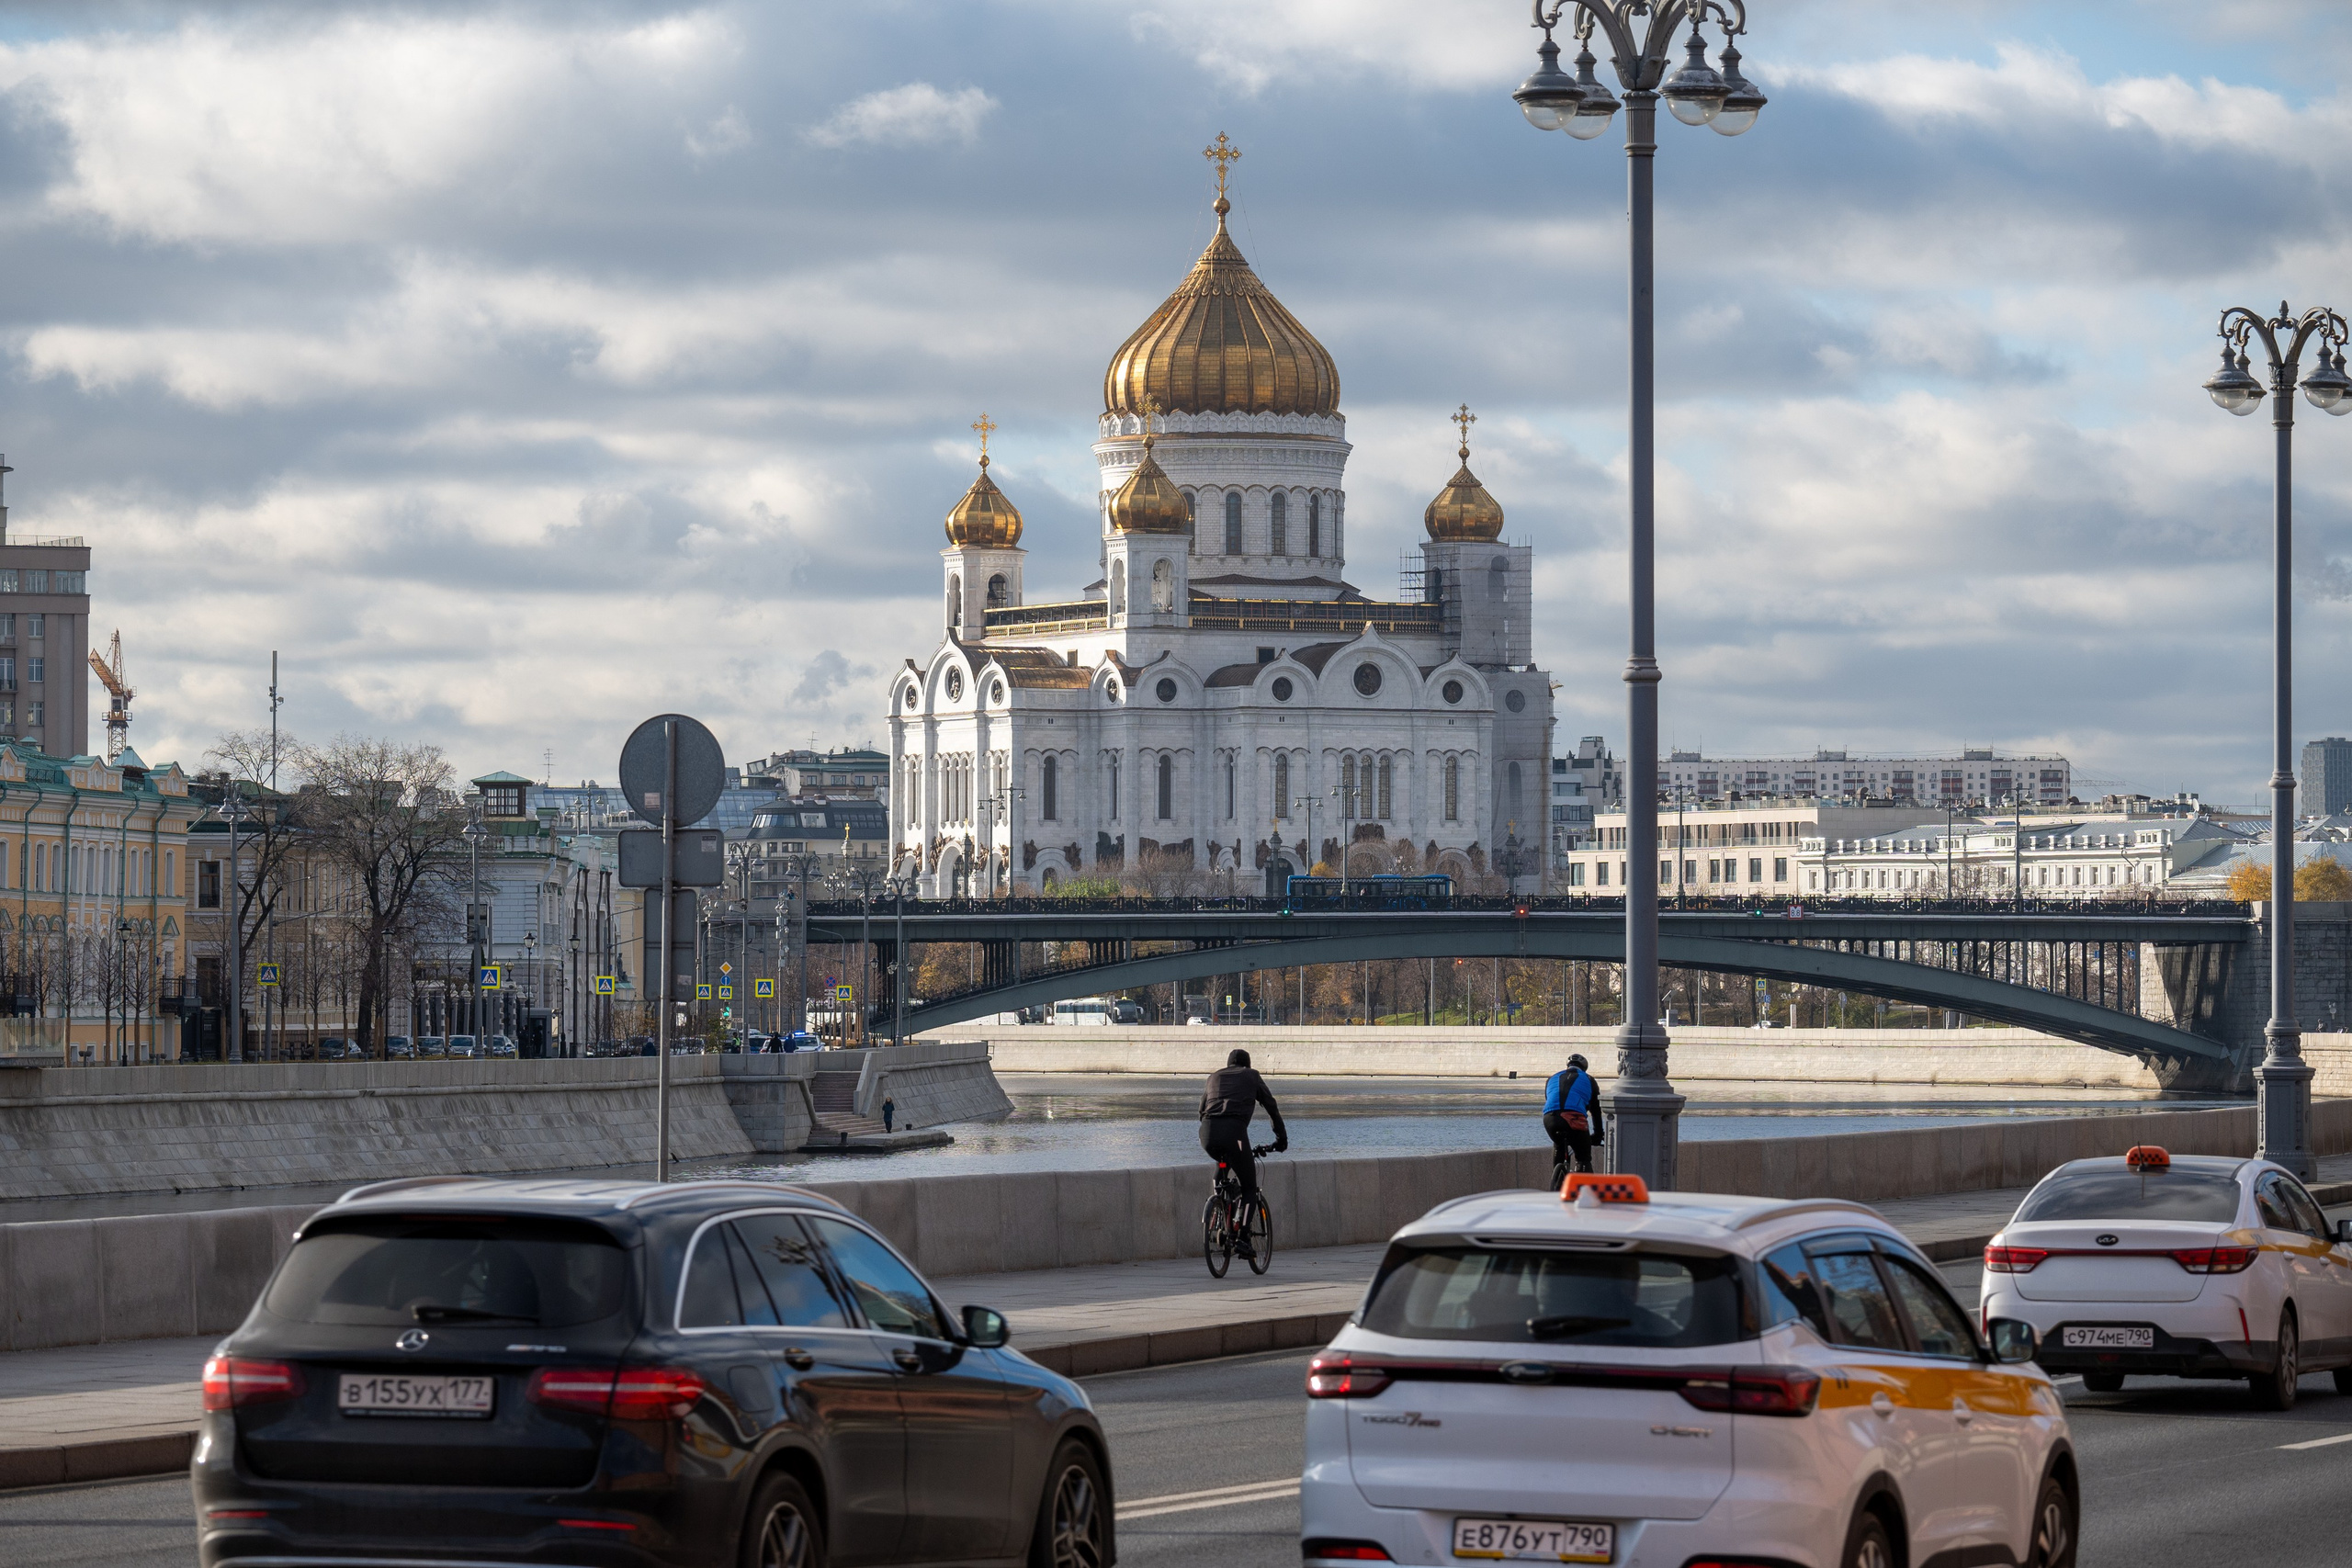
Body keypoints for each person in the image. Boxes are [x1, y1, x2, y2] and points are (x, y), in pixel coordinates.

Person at [1199, 1047, 1289, 1235]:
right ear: (1248, 1065)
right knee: (1249, 1187)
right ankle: (1242, 1236)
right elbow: (1272, 1107)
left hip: (1207, 1133)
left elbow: (1201, 1110)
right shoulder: (1251, 1076)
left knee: (1221, 1169)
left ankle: (1219, 1209)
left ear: (1228, 1064)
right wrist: (1281, 1139)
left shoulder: (1213, 1077)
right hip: (1234, 1133)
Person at [1543, 1053, 1599, 1183]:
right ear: (1584, 1068)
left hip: (1549, 1118)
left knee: (1559, 1144)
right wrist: (1598, 1134)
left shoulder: (1551, 1078)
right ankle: (1585, 1189)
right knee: (1583, 1157)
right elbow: (1596, 1110)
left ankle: (1556, 1178)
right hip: (1573, 1118)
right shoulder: (1589, 1079)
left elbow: (1550, 1100)